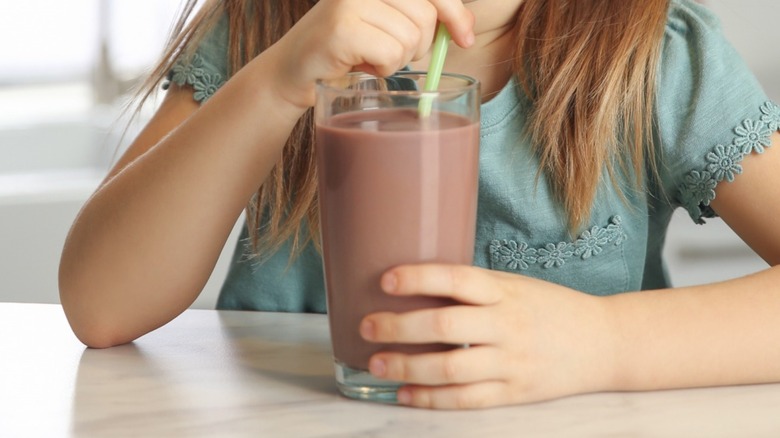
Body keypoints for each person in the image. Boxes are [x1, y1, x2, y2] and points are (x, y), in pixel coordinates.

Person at [59, 0, 780, 409]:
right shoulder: (265, 31)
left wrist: (605, 342)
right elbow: (102, 305)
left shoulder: (653, 56)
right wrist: (274, 86)